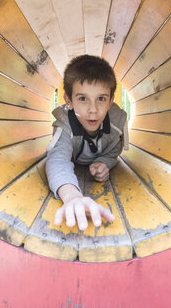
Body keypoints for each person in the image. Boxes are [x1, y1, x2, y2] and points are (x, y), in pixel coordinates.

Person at [46, 55, 128, 231]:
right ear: (69, 101)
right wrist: (72, 196)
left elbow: (114, 150)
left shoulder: (116, 123)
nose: (93, 110)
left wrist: (104, 162)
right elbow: (57, 159)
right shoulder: (65, 125)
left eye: (101, 98)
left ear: (111, 100)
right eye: (83, 99)